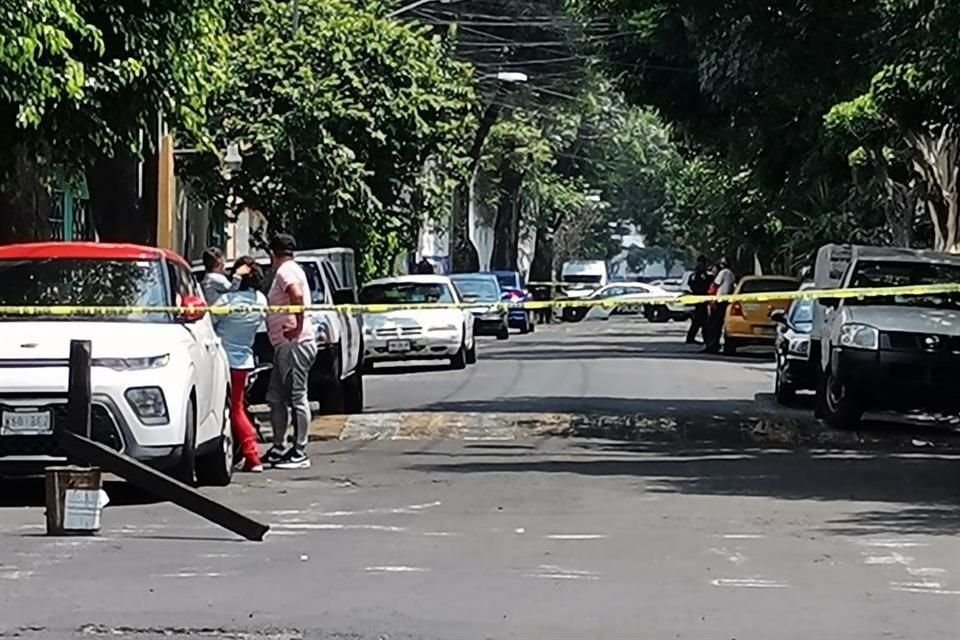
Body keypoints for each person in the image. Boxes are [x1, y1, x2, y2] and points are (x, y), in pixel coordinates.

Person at [262, 234, 319, 470]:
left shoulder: (286, 271)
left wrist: (296, 325)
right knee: (276, 398)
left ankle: (299, 450)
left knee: (297, 396)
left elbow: (295, 295)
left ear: (272, 254)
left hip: (295, 344)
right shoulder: (291, 269)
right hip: (284, 346)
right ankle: (279, 446)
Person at [211, 256, 267, 473]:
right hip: (245, 361)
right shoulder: (260, 300)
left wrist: (233, 281)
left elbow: (208, 320)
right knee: (239, 407)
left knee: (234, 410)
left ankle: (252, 455)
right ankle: (244, 452)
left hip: (225, 362)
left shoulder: (227, 301)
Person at [703, 258, 736, 353]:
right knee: (719, 325)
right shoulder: (731, 274)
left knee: (713, 325)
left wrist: (711, 301)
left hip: (719, 301)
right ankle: (717, 345)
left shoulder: (723, 273)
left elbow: (714, 286)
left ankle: (712, 345)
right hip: (725, 301)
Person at [685, 256, 712, 344]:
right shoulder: (702, 274)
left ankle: (695, 338)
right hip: (701, 299)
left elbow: (690, 284)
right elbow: (707, 283)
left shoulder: (694, 274)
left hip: (698, 299)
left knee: (699, 321)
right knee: (702, 321)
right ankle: (704, 339)